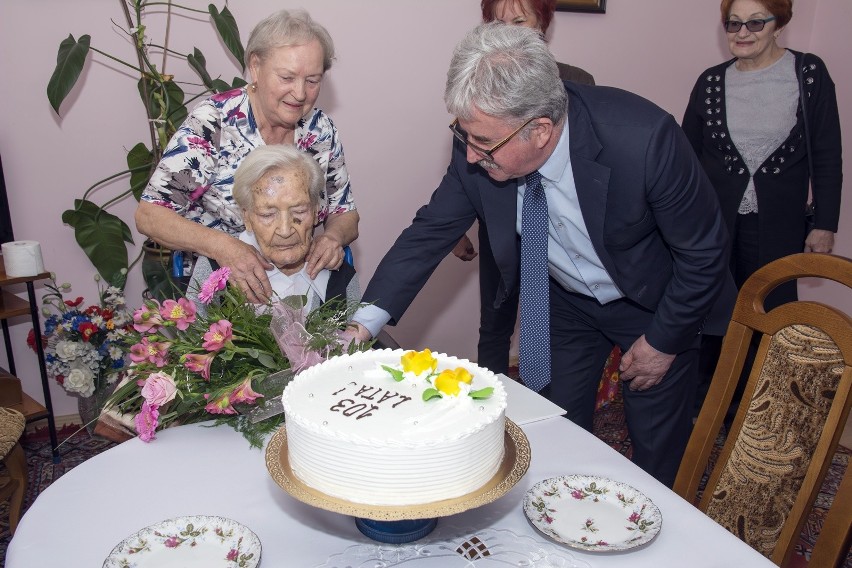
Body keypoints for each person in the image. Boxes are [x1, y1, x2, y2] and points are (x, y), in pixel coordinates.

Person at [350, 23, 735, 487]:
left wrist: (662, 342)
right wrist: (361, 324)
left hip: (654, 303)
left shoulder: (643, 139)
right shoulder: (480, 137)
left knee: (654, 440)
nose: (470, 156)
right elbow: (429, 232)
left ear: (540, 130)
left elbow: (704, 251)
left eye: (482, 143)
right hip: (565, 301)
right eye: (463, 134)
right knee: (553, 422)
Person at [682, 0, 842, 417]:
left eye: (755, 21)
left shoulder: (808, 74)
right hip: (715, 222)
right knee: (712, 309)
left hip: (779, 223)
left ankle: (762, 410)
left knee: (772, 312)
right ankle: (706, 405)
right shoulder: (712, 81)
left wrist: (825, 223)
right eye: (732, 23)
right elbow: (687, 156)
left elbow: (827, 153)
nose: (742, 32)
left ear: (779, 23)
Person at [136, 9, 359, 305]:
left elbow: (346, 214)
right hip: (216, 290)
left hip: (298, 289)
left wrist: (333, 238)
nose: (301, 93)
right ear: (255, 66)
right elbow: (150, 215)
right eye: (287, 77)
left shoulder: (320, 130)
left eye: (313, 80)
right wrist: (225, 248)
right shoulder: (214, 123)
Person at [452, 0, 595, 375]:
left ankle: (548, 398)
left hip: (557, 226)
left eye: (519, 21)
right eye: (498, 24)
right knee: (495, 321)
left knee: (554, 322)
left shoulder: (577, 82)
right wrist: (454, 226)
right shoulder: (479, 85)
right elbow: (465, 166)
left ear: (542, 24)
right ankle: (491, 402)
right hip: (503, 221)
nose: (510, 32)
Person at [186, 144, 359, 316]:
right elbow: (192, 337)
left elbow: (354, 340)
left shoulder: (339, 274)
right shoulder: (216, 272)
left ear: (315, 212)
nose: (285, 231)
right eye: (268, 214)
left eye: (299, 211)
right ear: (247, 217)